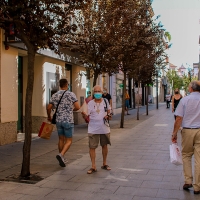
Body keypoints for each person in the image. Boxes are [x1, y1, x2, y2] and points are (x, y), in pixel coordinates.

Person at [171, 81, 200, 195]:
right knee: (199, 159)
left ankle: (188, 181)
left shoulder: (185, 100)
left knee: (186, 155)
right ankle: (197, 186)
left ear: (191, 89)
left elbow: (178, 119)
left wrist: (174, 134)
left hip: (187, 130)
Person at [47, 78, 80, 167]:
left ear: (60, 85)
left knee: (61, 139)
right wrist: (71, 110)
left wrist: (49, 116)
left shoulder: (55, 95)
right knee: (69, 140)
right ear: (67, 85)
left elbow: (49, 107)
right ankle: (61, 155)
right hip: (68, 120)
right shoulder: (71, 94)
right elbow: (77, 107)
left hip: (58, 120)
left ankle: (62, 157)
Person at [82, 85, 112, 174]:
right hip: (93, 128)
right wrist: (83, 114)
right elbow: (86, 115)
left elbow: (110, 113)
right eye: (95, 91)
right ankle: (93, 166)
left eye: (99, 91)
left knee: (104, 145)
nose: (97, 93)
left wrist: (108, 116)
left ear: (102, 93)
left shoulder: (106, 101)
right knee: (92, 147)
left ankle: (104, 163)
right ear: (93, 93)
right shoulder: (90, 103)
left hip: (104, 128)